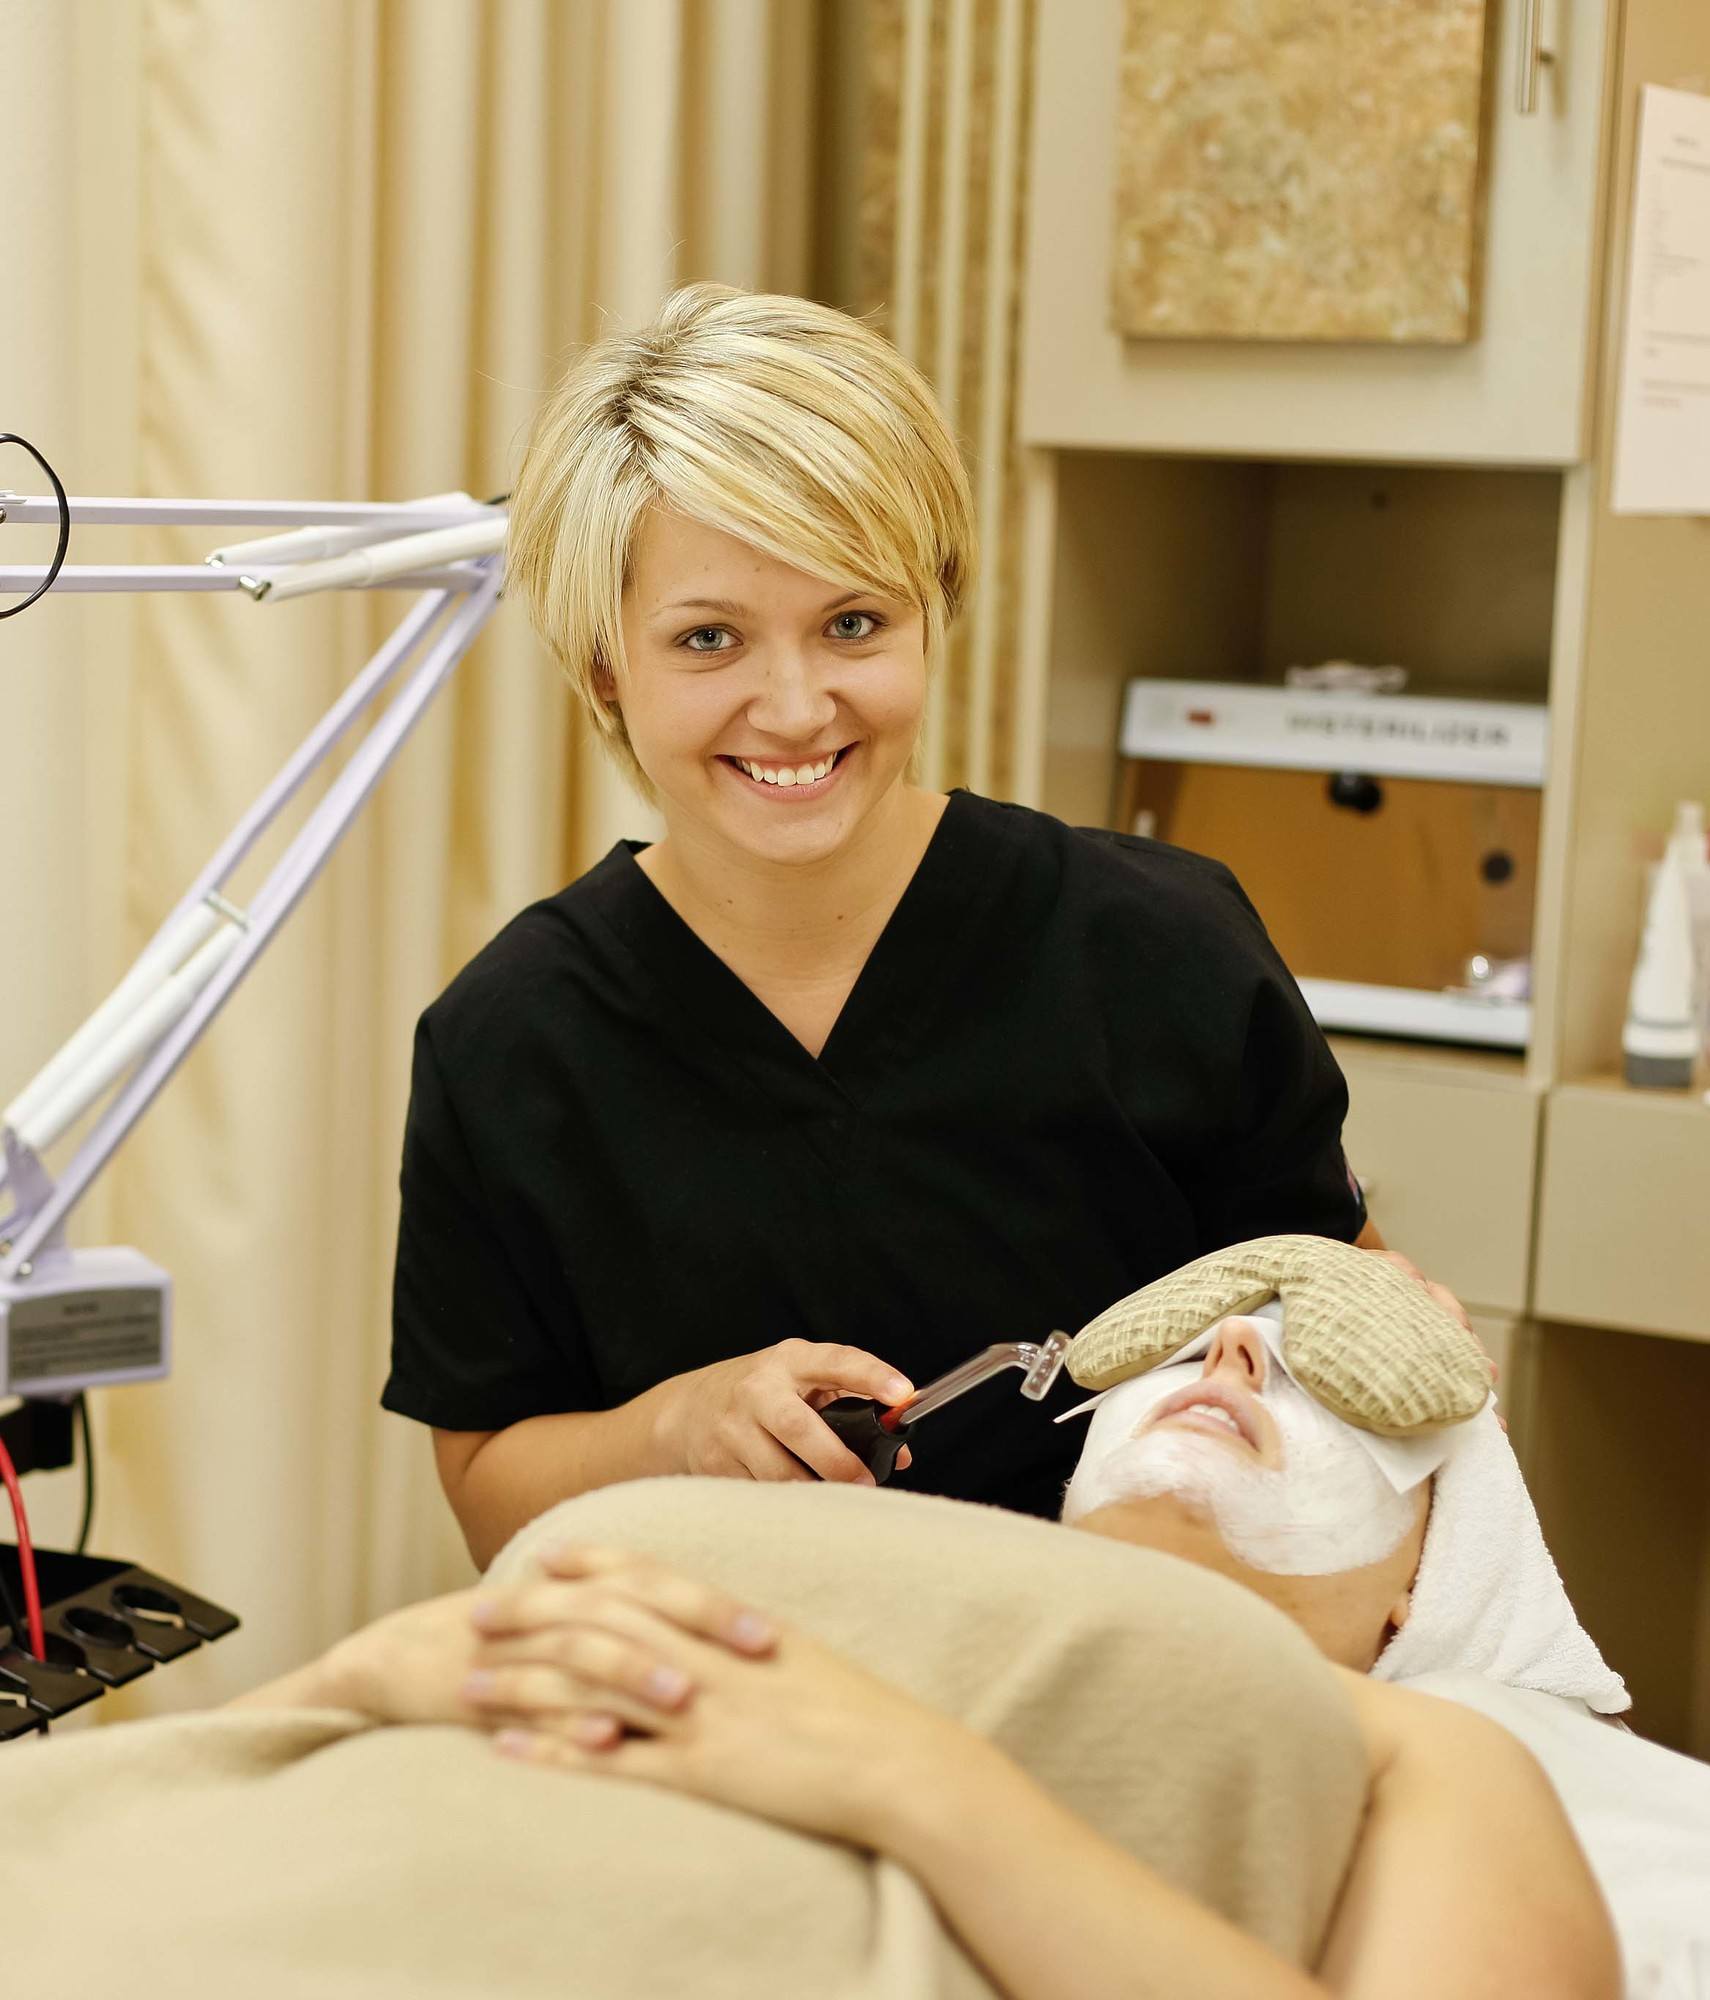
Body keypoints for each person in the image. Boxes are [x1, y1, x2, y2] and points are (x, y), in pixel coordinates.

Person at [383, 280, 1472, 1568]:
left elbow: (1359, 1348)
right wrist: (676, 1428)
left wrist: (1401, 1348)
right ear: (606, 659)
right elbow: (488, 1492)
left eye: (853, 623)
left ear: (933, 612)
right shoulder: (510, 1040)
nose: (793, 707)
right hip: (727, 1690)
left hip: (1140, 1659)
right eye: (709, 638)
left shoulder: (1156, 947)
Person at [226, 1312, 1615, 1999]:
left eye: (1322, 1391)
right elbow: (218, 1768)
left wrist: (913, 1781)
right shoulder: (811, 1537)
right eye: (1195, 1345)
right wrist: (370, 1678)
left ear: (1417, 1597)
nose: (1236, 1354)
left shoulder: (1435, 1751)